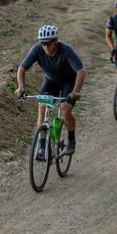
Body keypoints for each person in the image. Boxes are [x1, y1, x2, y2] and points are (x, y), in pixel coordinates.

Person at [16, 25, 85, 157]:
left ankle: (71, 140)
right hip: (51, 81)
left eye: (48, 44)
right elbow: (22, 69)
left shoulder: (66, 50)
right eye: (43, 44)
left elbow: (80, 72)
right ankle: (42, 145)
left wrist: (76, 91)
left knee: (65, 110)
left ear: (56, 41)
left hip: (68, 82)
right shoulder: (37, 49)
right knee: (42, 107)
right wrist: (21, 87)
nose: (46, 47)